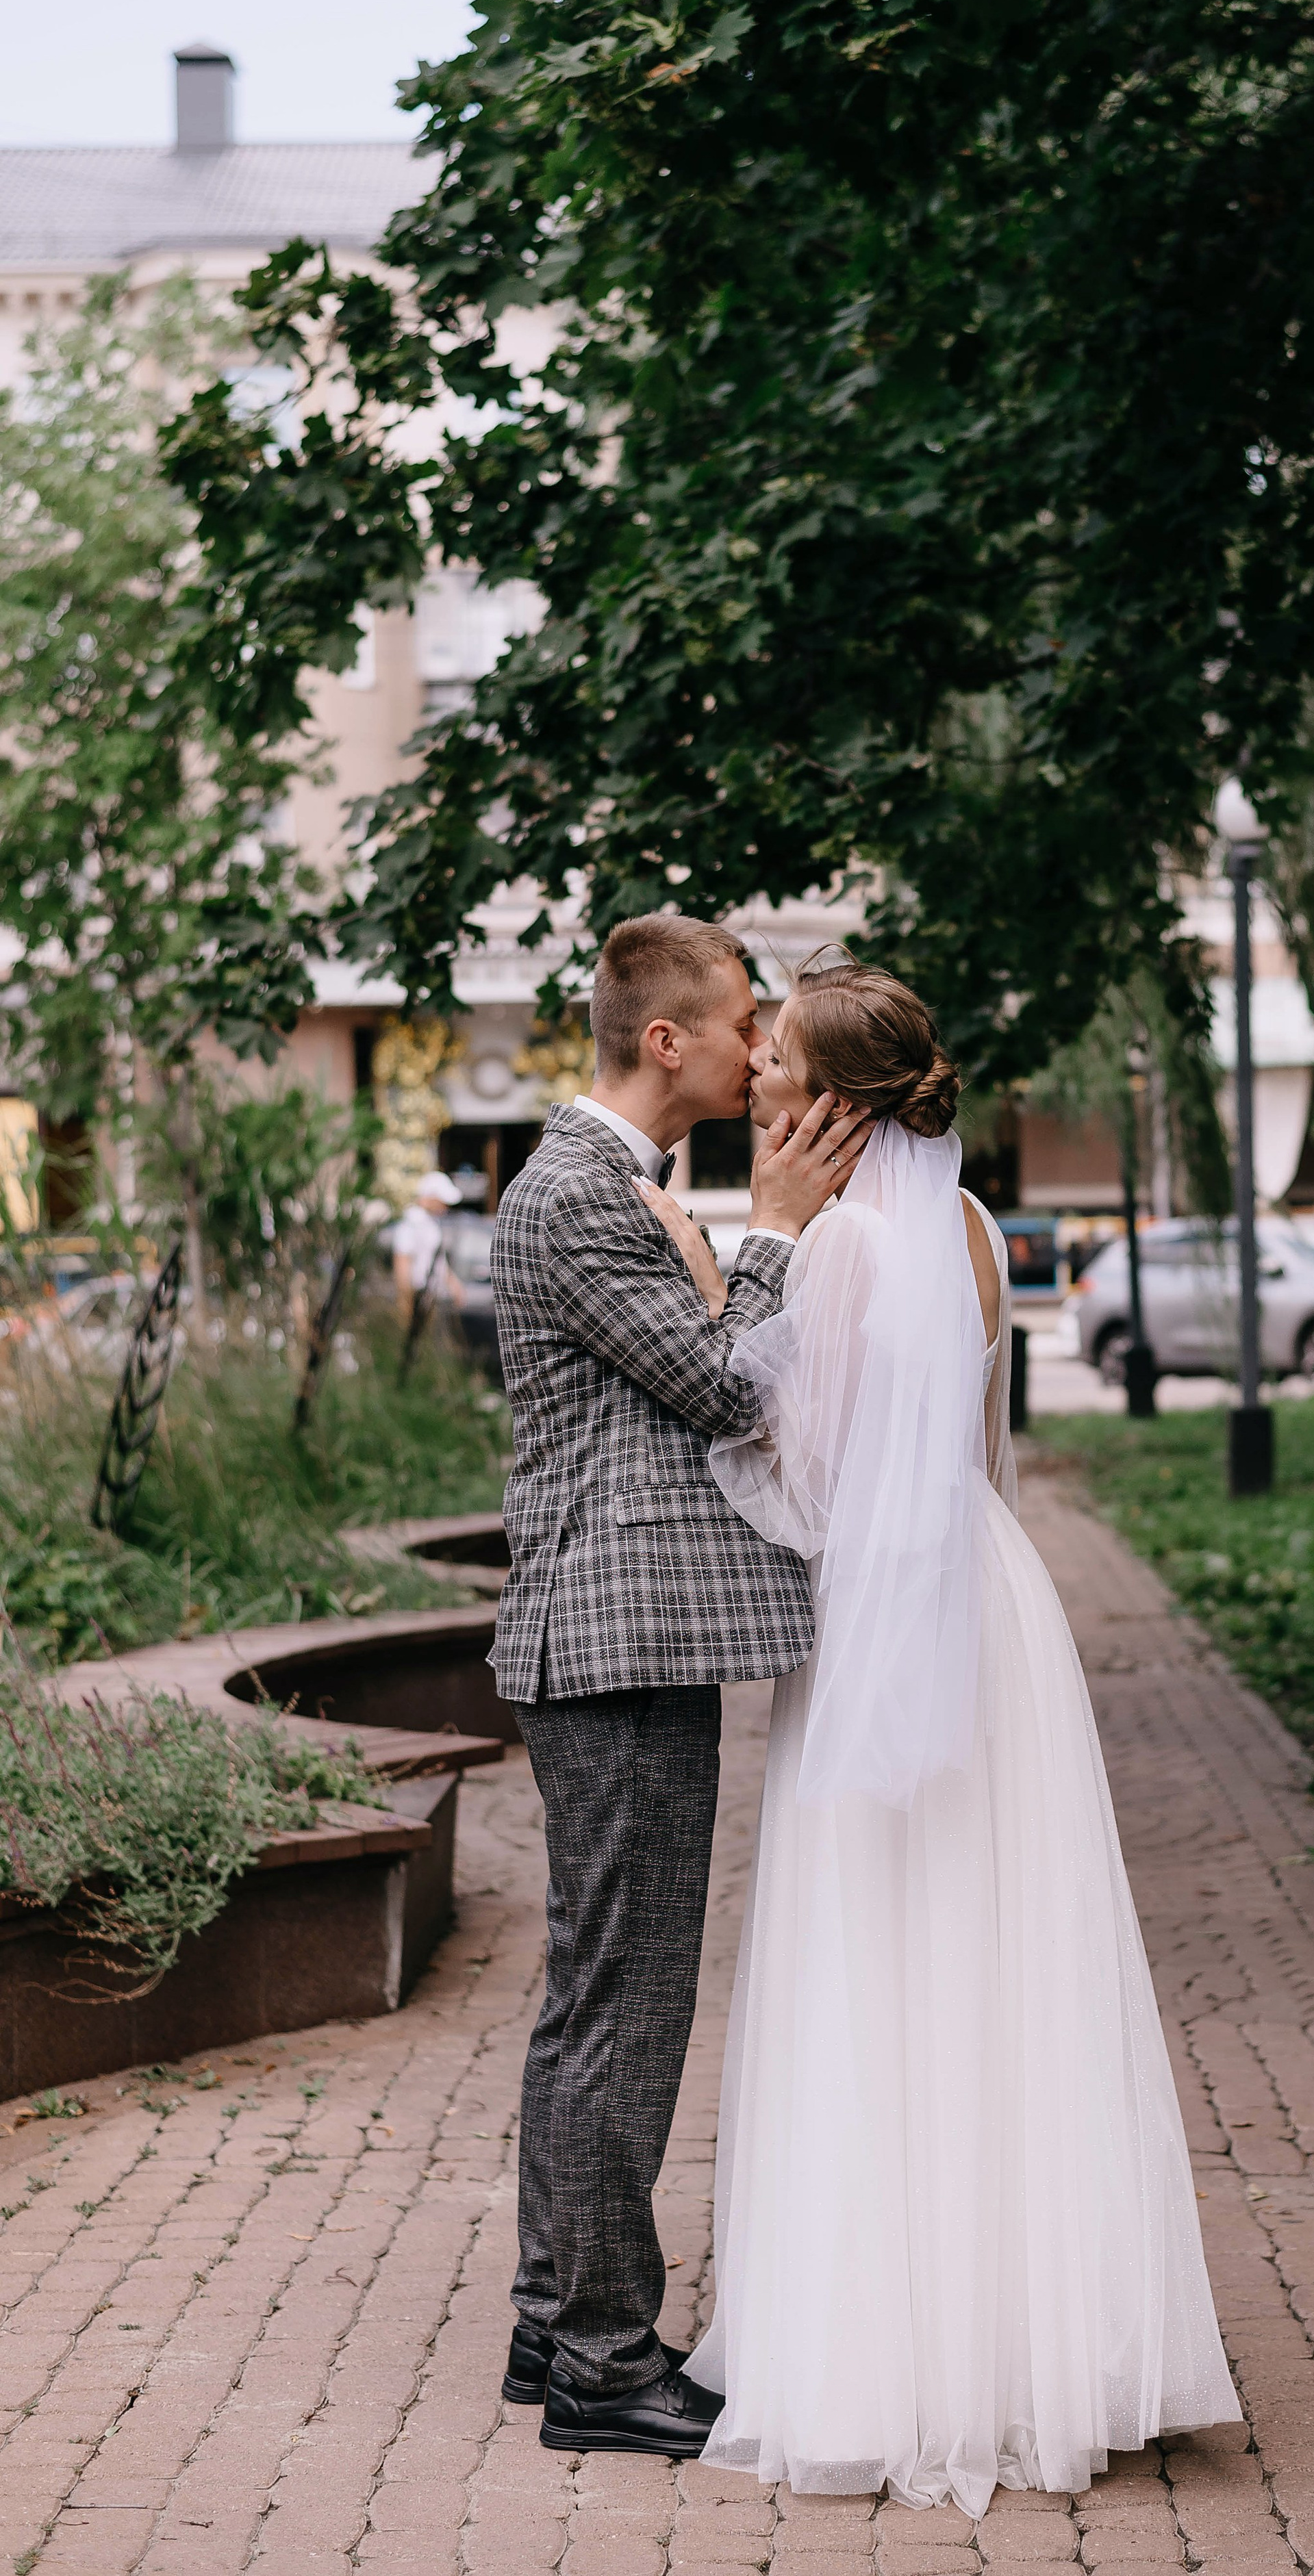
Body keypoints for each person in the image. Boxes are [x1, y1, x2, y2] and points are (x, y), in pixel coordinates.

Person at [638, 960, 1241, 2516]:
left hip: (869, 1621)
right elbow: (969, 1450)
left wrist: (724, 1298)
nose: (758, 1075)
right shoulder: (972, 1229)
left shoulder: (835, 1245)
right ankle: (1032, 2343)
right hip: (990, 1602)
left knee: (874, 1959)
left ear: (829, 1098)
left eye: (774, 1059)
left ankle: (876, 2356)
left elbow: (792, 1479)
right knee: (1001, 1962)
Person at [487, 914, 868, 2461]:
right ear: (665, 1041)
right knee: (625, 2006)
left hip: (620, 1635)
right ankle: (600, 2358)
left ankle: (545, 2314)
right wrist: (772, 1228)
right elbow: (723, 1384)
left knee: (594, 1992)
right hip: (613, 1639)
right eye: (737, 1023)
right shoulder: (581, 1196)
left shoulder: (611, 1185)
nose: (755, 1046)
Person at [390, 1170, 463, 1321]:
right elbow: (402, 1263)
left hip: (429, 1296)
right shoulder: (411, 1224)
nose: (445, 1207)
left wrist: (454, 1285)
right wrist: (405, 1303)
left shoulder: (431, 1223)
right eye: (441, 1201)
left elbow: (437, 1262)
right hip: (415, 1296)